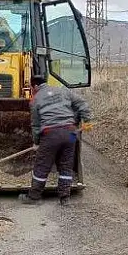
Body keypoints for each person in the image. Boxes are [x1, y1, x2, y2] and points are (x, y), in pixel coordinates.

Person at [19, 76, 93, 206]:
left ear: (34, 86)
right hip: (71, 134)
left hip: (51, 135)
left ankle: (34, 197)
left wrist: (36, 142)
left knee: (42, 165)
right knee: (66, 164)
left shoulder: (35, 100)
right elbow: (82, 104)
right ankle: (65, 198)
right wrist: (87, 121)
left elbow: (35, 125)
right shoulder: (63, 91)